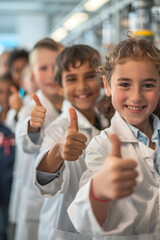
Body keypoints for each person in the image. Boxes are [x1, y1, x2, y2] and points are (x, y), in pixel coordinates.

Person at [68, 35, 160, 239]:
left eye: (148, 85)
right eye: (125, 84)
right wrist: (99, 190)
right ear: (107, 86)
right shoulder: (102, 146)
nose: (136, 96)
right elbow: (83, 221)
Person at [34, 44, 109, 240]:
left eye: (90, 76)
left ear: (102, 80)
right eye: (72, 79)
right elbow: (45, 184)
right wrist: (58, 151)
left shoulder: (105, 119)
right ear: (60, 86)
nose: (82, 86)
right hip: (65, 231)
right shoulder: (58, 128)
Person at [11, 38, 64, 240]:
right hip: (37, 200)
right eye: (43, 68)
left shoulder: (69, 104)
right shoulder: (31, 108)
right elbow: (25, 141)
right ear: (32, 74)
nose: (51, 74)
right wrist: (33, 126)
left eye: (56, 66)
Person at [0, 72, 15, 240]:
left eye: (9, 91)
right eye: (0, 91)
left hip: (13, 185)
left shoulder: (18, 121)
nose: (4, 97)